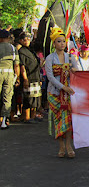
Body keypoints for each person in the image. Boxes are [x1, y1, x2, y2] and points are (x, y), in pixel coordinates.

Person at [45, 26, 78, 158]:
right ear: (54, 43)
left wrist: (74, 71)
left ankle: (69, 145)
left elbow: (77, 71)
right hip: (55, 93)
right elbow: (50, 77)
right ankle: (61, 146)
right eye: (59, 41)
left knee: (68, 120)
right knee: (58, 119)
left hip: (69, 93)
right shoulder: (50, 58)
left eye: (63, 41)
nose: (62, 44)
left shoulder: (70, 57)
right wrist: (63, 87)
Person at [18, 32, 42, 124]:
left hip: (35, 76)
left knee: (35, 98)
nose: (27, 41)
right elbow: (22, 66)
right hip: (29, 77)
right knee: (28, 99)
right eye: (24, 39)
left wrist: (39, 79)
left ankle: (33, 115)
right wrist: (25, 79)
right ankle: (27, 117)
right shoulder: (21, 51)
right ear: (20, 41)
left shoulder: (30, 50)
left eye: (28, 39)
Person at [0, 29, 20, 129]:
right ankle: (4, 120)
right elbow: (16, 65)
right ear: (8, 38)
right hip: (9, 73)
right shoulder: (13, 48)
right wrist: (17, 78)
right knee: (7, 97)